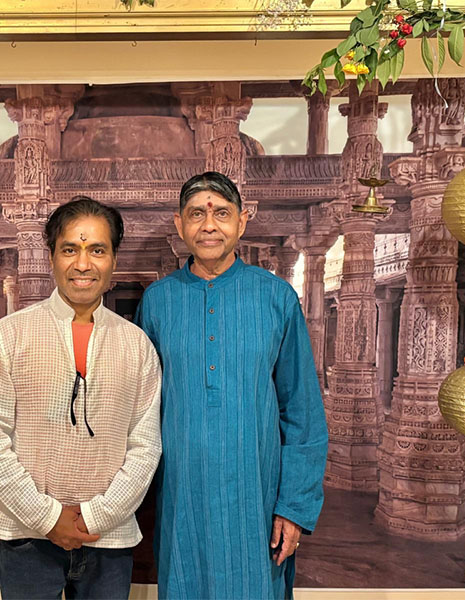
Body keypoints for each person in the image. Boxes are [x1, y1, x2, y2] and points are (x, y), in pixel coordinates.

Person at [136, 172, 328, 599]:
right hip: (182, 498)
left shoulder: (276, 297)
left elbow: (302, 411)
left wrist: (293, 508)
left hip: (255, 499)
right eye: (197, 214)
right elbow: (140, 407)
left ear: (242, 222)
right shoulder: (157, 301)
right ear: (179, 223)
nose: (209, 225)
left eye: (221, 213)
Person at [0, 196, 162, 600]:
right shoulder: (10, 335)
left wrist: (96, 515)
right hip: (26, 535)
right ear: (52, 256)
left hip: (108, 538)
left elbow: (145, 445)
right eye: (70, 249)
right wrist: (46, 516)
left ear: (113, 259)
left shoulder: (137, 345)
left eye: (97, 249)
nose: (83, 264)